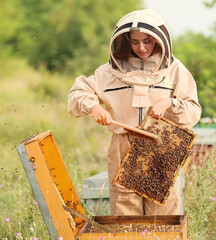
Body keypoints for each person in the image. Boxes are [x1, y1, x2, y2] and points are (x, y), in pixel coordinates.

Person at [67, 9, 201, 215]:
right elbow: (78, 92)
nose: (141, 47)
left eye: (147, 41)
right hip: (123, 147)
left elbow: (193, 110)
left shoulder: (175, 71)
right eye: (135, 41)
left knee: (163, 217)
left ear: (159, 39)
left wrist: (169, 102)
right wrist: (93, 108)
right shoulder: (108, 72)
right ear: (125, 40)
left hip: (161, 145)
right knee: (125, 216)